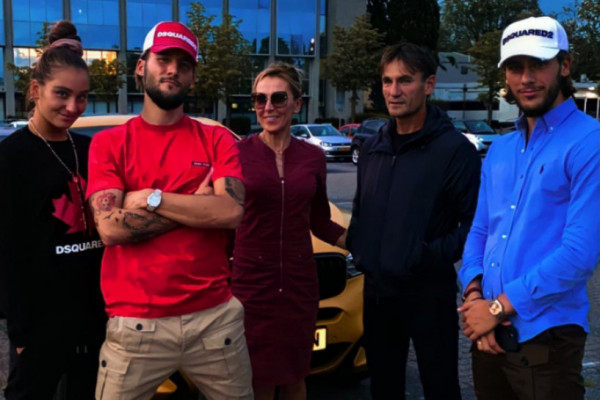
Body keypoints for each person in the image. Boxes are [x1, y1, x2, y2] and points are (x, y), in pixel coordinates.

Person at [86, 21, 252, 400]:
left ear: (193, 77)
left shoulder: (217, 138)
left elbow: (230, 212)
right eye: (163, 59)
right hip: (135, 325)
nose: (173, 70)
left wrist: (152, 198)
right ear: (141, 66)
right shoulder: (110, 143)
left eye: (184, 64)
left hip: (214, 320)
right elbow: (110, 229)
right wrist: (197, 203)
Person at [458, 16, 600, 400]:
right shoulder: (501, 149)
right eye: (515, 67)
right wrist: (474, 296)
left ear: (565, 65)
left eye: (538, 64)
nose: (526, 78)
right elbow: (480, 231)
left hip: (547, 339)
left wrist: (496, 309)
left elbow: (579, 253)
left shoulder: (590, 142)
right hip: (489, 337)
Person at [346, 43, 481, 399]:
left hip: (428, 293)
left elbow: (473, 225)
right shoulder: (373, 147)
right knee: (384, 387)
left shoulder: (455, 151)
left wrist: (424, 255)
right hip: (377, 293)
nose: (394, 91)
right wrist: (363, 250)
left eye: (405, 80)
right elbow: (361, 209)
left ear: (429, 84)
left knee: (440, 387)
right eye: (387, 81)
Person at [0, 20, 106, 400]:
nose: (73, 107)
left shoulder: (90, 149)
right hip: (42, 320)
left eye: (82, 97)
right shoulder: (11, 157)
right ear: (35, 90)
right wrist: (20, 331)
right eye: (62, 94)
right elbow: (6, 252)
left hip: (95, 317)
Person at [231, 62, 346, 400]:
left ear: (297, 103)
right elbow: (220, 219)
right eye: (260, 99)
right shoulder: (237, 154)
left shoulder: (313, 157)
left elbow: (320, 221)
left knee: (296, 375)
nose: (268, 107)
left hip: (299, 285)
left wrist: (362, 243)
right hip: (251, 287)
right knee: (259, 380)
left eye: (278, 98)